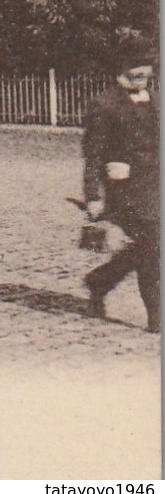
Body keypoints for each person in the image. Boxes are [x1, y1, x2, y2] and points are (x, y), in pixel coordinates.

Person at [81, 54, 160, 333]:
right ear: (119, 69)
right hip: (124, 191)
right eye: (133, 67)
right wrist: (93, 195)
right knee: (154, 245)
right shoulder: (104, 105)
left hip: (156, 187)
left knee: (146, 247)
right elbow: (92, 155)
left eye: (145, 68)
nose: (140, 73)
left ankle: (100, 280)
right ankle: (156, 317)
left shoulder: (158, 101)